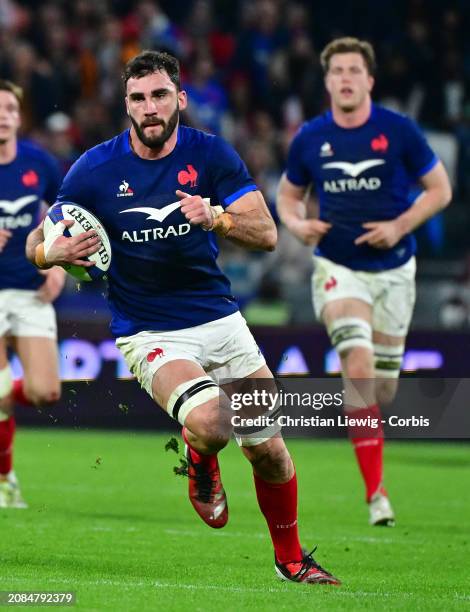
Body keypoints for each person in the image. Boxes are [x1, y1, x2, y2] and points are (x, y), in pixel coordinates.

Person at [26, 50, 340, 585]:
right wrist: (45, 256)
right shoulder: (94, 169)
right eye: (138, 98)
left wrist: (216, 217)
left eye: (159, 96)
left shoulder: (211, 155)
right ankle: (200, 459)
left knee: (270, 452)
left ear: (181, 99)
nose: (149, 108)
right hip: (149, 330)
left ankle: (290, 561)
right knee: (214, 422)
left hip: (220, 319)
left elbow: (265, 234)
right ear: (125, 104)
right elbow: (42, 235)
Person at [277, 37, 452, 526]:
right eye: (337, 72)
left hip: (396, 270)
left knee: (383, 388)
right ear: (328, 80)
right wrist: (296, 224)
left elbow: (441, 190)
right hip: (338, 267)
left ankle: (374, 461)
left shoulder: (398, 131)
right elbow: (287, 197)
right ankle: (377, 494)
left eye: (355, 70)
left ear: (369, 80)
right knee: (356, 365)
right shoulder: (311, 138)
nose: (346, 78)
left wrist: (399, 226)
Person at [0, 80, 64, 508]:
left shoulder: (40, 163)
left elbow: (68, 215)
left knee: (46, 392)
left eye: (9, 108)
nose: (3, 115)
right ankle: (5, 479)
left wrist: (58, 264)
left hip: (30, 291)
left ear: (19, 117)